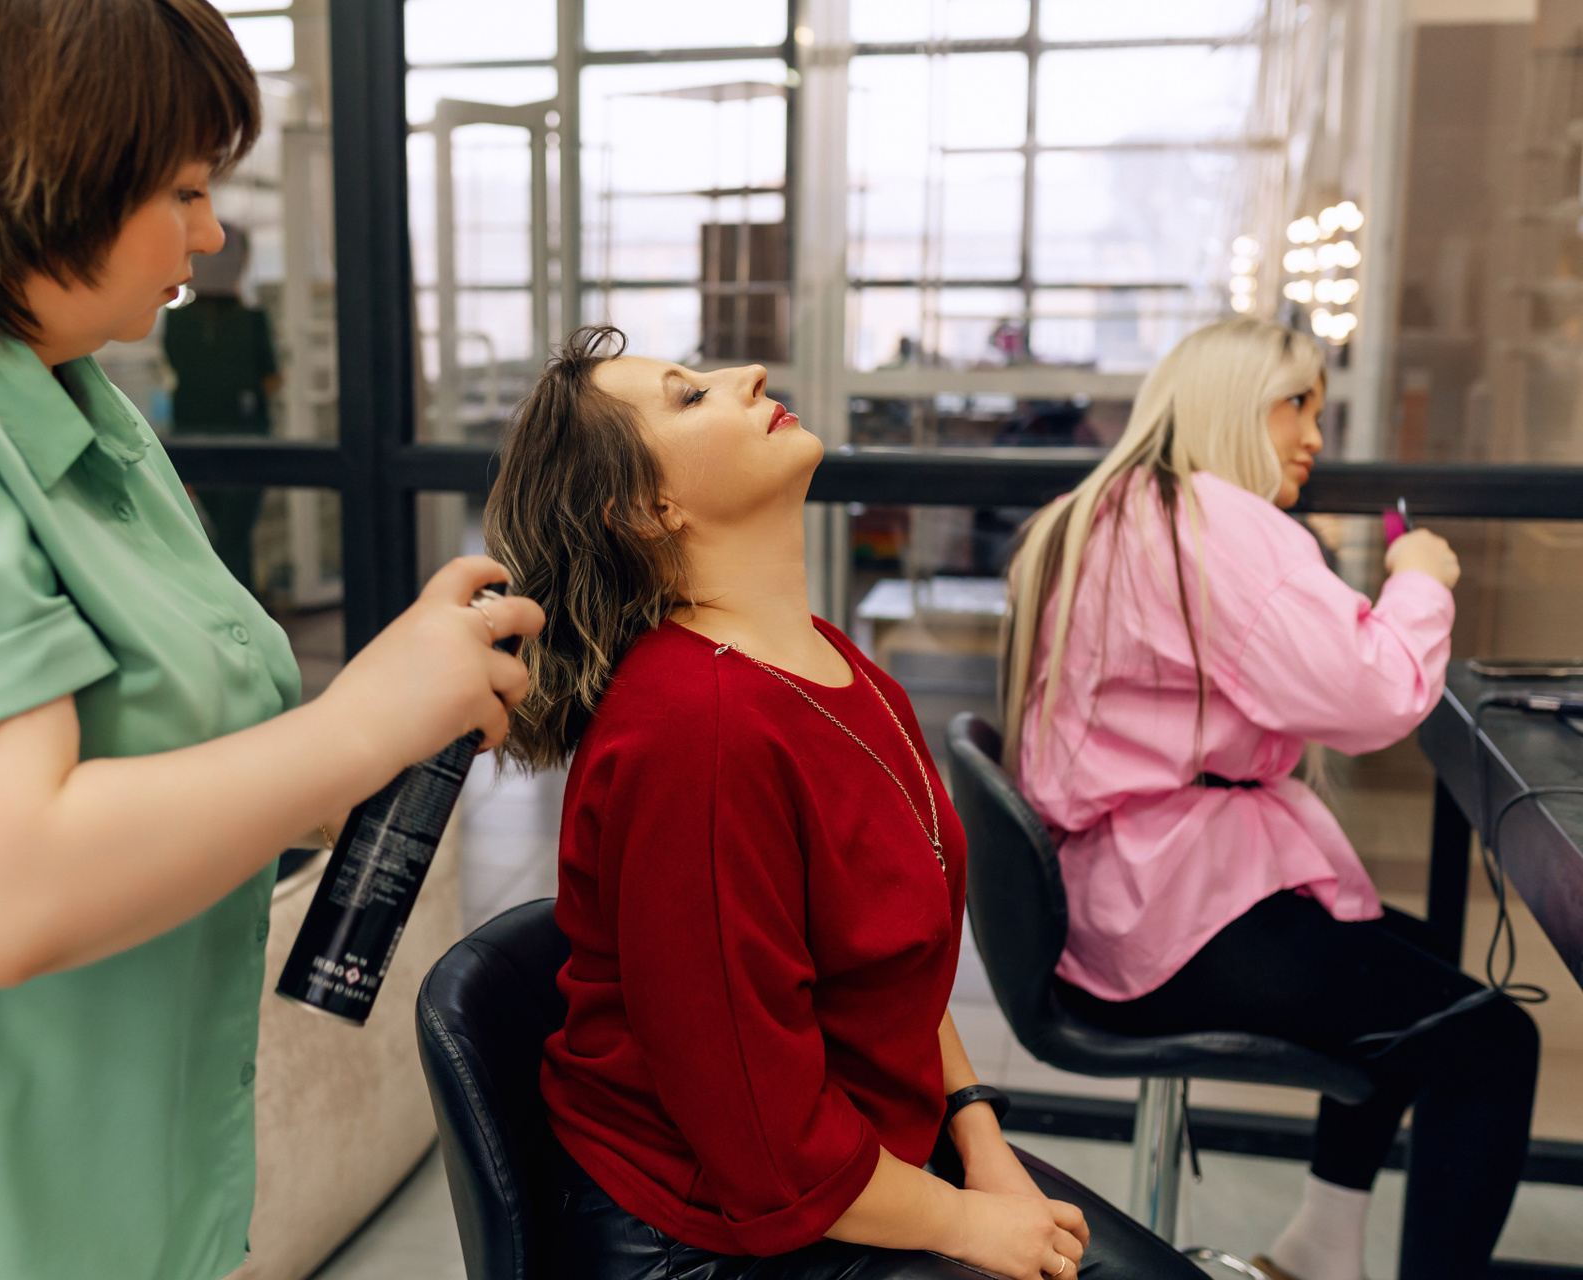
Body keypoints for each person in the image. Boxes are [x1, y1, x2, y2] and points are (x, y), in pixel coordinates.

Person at [0, 3, 542, 1278]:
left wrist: (386, 722)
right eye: (181, 189)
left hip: (112, 1205)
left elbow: (173, 769)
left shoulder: (69, 399)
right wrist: (360, 726)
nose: (210, 232)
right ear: (42, 167)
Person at [484, 326, 1208, 1280]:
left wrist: (977, 1134)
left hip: (864, 1168)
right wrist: (963, 1223)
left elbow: (891, 971)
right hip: (717, 1235)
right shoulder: (697, 732)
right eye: (691, 396)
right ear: (648, 508)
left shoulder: (832, 659)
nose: (750, 374)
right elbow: (759, 1130)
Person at [1001, 317, 1539, 1280]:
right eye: (1297, 405)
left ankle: (1318, 1249)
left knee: (1411, 962)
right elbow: (1373, 694)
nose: (1315, 437)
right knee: (1494, 1041)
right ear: (1231, 404)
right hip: (1167, 919)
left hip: (1106, 902)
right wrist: (1420, 582)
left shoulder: (1103, 510)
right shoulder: (1216, 524)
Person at [162, 220, 279, 589]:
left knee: (229, 536)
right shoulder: (252, 321)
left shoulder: (176, 321)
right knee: (234, 538)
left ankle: (246, 609)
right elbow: (271, 378)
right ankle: (243, 609)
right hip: (247, 438)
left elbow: (175, 369)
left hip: (191, 437)